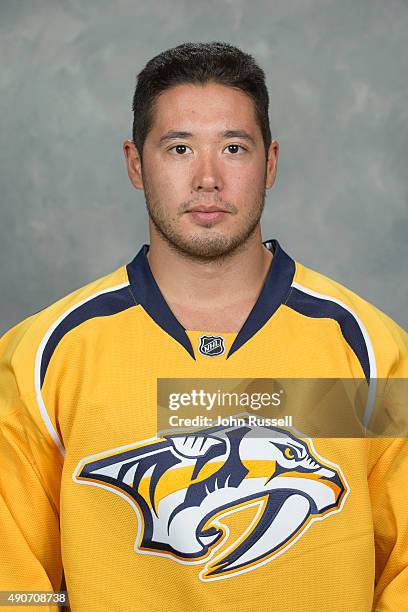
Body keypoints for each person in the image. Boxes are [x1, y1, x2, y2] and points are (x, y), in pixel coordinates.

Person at [0, 41, 407, 612]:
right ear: (136, 164)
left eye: (234, 147)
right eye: (179, 147)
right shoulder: (47, 354)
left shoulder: (366, 348)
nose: (208, 177)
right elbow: (13, 582)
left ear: (269, 163)